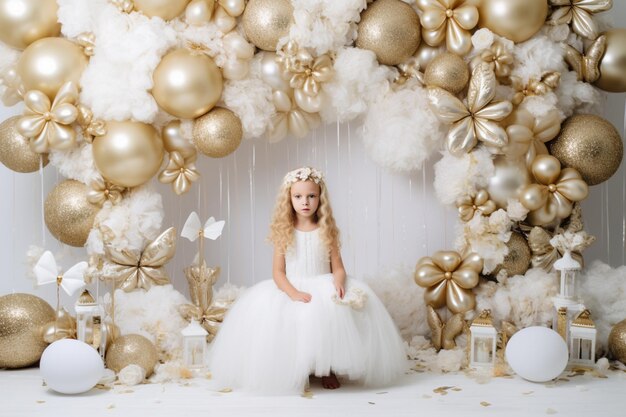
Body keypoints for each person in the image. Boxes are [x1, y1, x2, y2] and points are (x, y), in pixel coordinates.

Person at [209, 167, 407, 394]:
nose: (305, 202)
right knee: (293, 319)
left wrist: (339, 282)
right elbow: (278, 272)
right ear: (289, 199)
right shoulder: (284, 232)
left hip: (323, 282)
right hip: (291, 286)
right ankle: (300, 368)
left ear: (320, 198)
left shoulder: (326, 231)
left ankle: (328, 367)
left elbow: (339, 267)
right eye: (298, 196)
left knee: (332, 314)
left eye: (311, 196)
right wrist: (293, 293)